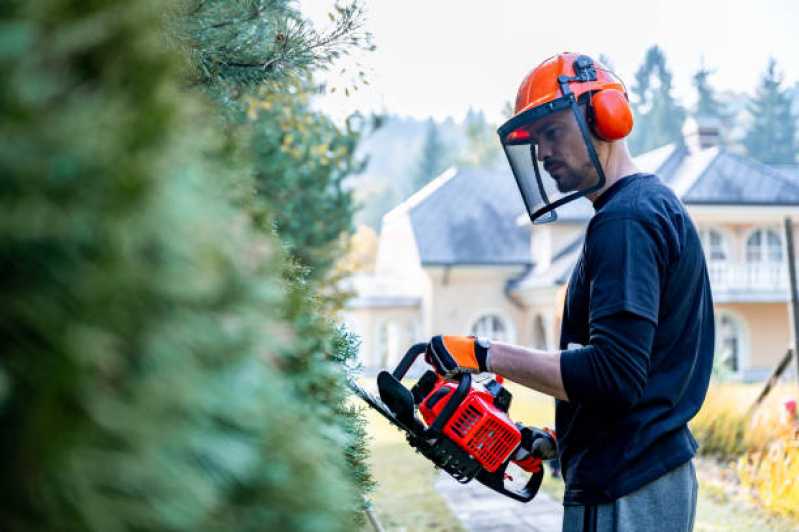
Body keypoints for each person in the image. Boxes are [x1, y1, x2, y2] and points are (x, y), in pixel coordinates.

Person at [425, 53, 714, 532]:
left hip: (625, 485)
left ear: (604, 115)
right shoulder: (649, 206)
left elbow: (613, 374)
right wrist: (561, 439)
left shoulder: (626, 222)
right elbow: (643, 379)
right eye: (535, 143)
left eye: (552, 132)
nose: (543, 153)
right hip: (645, 472)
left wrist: (480, 352)